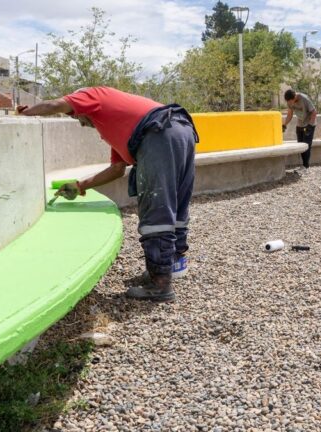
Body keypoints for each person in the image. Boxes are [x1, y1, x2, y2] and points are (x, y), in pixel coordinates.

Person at [18, 86, 198, 302]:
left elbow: (56, 104)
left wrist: (26, 112)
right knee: (176, 203)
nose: (81, 123)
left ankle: (160, 285)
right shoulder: (119, 125)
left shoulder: (94, 94)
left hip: (158, 132)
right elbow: (117, 170)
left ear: (81, 105)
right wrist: (79, 186)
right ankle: (170, 267)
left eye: (77, 117)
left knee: (156, 208)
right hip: (182, 128)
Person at [282, 89, 317, 171]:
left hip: (309, 124)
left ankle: (306, 166)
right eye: (288, 102)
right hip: (300, 124)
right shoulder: (289, 101)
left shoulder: (304, 99)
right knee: (300, 145)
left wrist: (310, 125)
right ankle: (303, 166)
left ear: (294, 97)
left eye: (290, 101)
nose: (290, 103)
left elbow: (314, 112)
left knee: (306, 145)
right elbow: (290, 114)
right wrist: (284, 125)